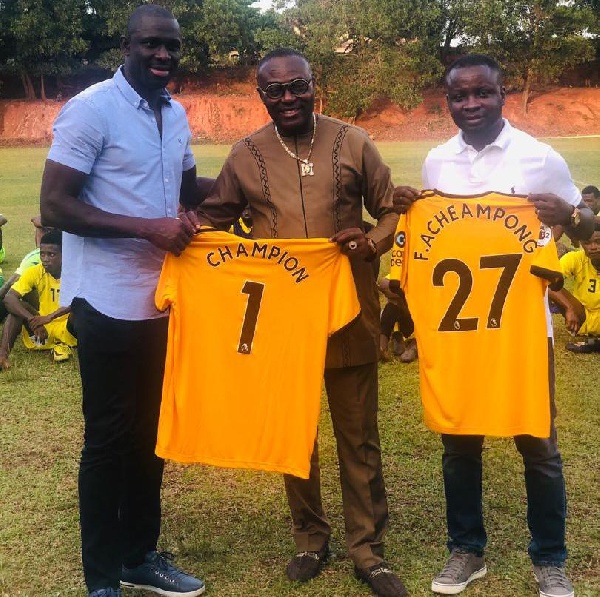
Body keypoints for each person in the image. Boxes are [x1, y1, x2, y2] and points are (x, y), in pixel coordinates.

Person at [198, 48, 406, 597]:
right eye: (275, 90)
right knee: (296, 432)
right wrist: (174, 233)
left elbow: (389, 209)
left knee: (358, 437)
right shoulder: (244, 155)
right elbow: (216, 216)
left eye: (298, 86)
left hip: (349, 311)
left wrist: (372, 241)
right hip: (281, 319)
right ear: (260, 94)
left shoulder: (354, 142)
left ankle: (368, 551)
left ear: (315, 86)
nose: (287, 98)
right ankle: (310, 537)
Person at [393, 54, 594, 597]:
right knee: (459, 442)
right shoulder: (437, 162)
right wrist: (404, 207)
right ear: (448, 101)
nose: (471, 104)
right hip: (457, 333)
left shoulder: (539, 157)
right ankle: (466, 550)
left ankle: (550, 559)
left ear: (504, 94)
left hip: (524, 332)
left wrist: (570, 216)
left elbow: (588, 227)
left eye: (483, 93)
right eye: (460, 96)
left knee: (539, 445)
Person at [39, 5, 209, 597]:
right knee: (109, 438)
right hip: (106, 302)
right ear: (128, 44)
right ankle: (102, 578)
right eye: (152, 45)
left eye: (173, 47)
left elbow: (191, 191)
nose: (164, 56)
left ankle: (140, 555)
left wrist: (262, 185)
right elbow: (57, 206)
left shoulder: (178, 113)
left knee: (150, 436)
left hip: (161, 301)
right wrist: (147, 228)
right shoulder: (90, 109)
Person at [0, 229, 76, 368]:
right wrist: (32, 319)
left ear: (66, 255)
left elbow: (82, 301)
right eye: (42, 254)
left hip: (68, 328)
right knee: (17, 309)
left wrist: (51, 316)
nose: (45, 259)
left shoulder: (76, 272)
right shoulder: (35, 271)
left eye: (51, 254)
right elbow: (9, 298)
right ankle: (2, 357)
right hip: (42, 328)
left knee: (81, 309)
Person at [549, 228, 600, 353]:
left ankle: (594, 344)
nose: (593, 247)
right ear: (581, 243)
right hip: (582, 317)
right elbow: (547, 282)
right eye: (587, 243)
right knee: (550, 283)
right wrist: (569, 307)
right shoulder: (576, 258)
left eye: (599, 242)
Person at [377, 276, 417, 363]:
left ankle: (415, 344)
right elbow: (384, 283)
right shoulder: (399, 268)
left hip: (417, 322)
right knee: (391, 308)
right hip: (401, 323)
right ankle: (383, 346)